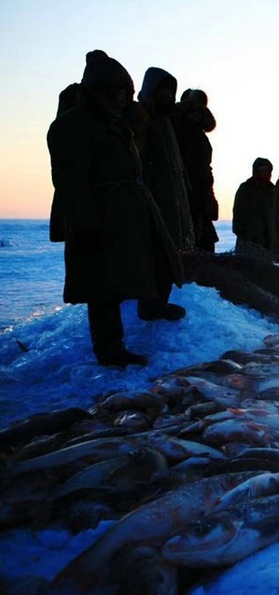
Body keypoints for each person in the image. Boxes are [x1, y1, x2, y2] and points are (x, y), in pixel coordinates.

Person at [47, 50, 184, 367]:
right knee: (103, 286)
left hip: (130, 211)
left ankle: (152, 308)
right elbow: (70, 182)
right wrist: (85, 224)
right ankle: (109, 350)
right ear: (98, 93)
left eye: (126, 92)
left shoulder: (120, 123)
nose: (123, 99)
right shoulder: (73, 126)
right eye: (115, 92)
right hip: (99, 215)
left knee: (157, 262)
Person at [134, 66, 193, 321]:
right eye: (163, 91)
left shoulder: (166, 120)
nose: (168, 95)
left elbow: (175, 164)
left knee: (169, 254)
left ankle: (158, 303)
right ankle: (150, 306)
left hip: (172, 197)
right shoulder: (142, 119)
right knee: (155, 255)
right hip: (153, 197)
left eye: (170, 91)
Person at [173, 88, 219, 253]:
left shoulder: (199, 135)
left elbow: (205, 169)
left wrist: (210, 198)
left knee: (204, 247)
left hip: (201, 197)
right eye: (193, 110)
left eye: (199, 111)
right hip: (186, 196)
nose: (196, 114)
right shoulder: (178, 131)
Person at [233, 157, 275, 254]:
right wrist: (243, 234)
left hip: (269, 241)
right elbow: (238, 213)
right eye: (262, 170)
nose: (265, 173)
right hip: (248, 241)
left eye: (267, 170)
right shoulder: (246, 188)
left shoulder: (273, 190)